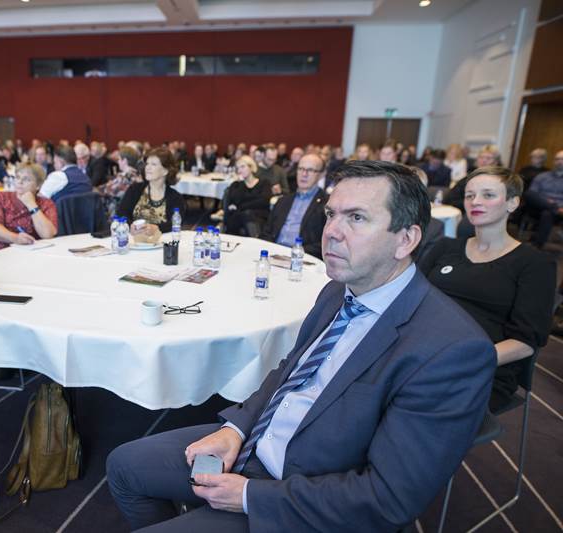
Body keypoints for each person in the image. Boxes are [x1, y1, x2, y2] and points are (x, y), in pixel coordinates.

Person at [107, 161, 496, 532]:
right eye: (331, 215)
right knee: (123, 465)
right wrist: (236, 428)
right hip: (257, 443)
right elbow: (289, 372)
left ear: (406, 239)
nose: (332, 232)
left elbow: (387, 500)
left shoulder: (451, 350)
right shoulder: (337, 290)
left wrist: (250, 496)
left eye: (356, 218)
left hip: (304, 496)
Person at [420, 166, 554, 411]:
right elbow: (411, 298)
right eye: (470, 195)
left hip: (480, 366)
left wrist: (461, 361)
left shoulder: (534, 264)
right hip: (422, 351)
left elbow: (525, 342)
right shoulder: (445, 248)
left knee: (411, 401)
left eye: (488, 195)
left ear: (512, 203)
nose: (475, 202)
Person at [0, 163, 57, 265]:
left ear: (38, 185)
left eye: (26, 179)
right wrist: (16, 238)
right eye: (18, 177)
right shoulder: (0, 197)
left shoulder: (46, 204)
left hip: (26, 257)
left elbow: (48, 234)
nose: (20, 182)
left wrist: (31, 205)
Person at [260, 153, 328, 257]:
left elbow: (325, 243)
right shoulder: (283, 201)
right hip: (273, 254)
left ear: (321, 174)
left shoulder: (327, 204)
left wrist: (295, 252)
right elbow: (266, 232)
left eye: (310, 170)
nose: (304, 174)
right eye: (300, 169)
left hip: (302, 257)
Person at [116, 147, 185, 234]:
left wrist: (157, 228)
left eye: (153, 164)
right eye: (147, 164)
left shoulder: (176, 198)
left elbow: (175, 224)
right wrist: (130, 226)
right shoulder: (134, 190)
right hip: (134, 239)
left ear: (165, 171)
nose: (147, 167)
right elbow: (121, 214)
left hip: (162, 240)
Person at [222, 155, 272, 237]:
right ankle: (256, 240)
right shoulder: (236, 185)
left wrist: (241, 206)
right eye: (238, 168)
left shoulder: (264, 183)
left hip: (259, 216)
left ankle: (256, 239)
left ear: (251, 167)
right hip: (238, 217)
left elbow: (264, 201)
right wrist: (242, 183)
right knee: (246, 214)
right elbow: (236, 200)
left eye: (242, 167)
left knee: (249, 215)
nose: (240, 170)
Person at [523, 149, 563, 248]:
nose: (559, 161)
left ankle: (538, 245)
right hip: (539, 207)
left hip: (560, 211)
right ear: (554, 161)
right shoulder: (542, 176)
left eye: (562, 159)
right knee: (528, 193)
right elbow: (532, 193)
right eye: (557, 159)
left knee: (547, 213)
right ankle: (554, 208)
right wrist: (549, 203)